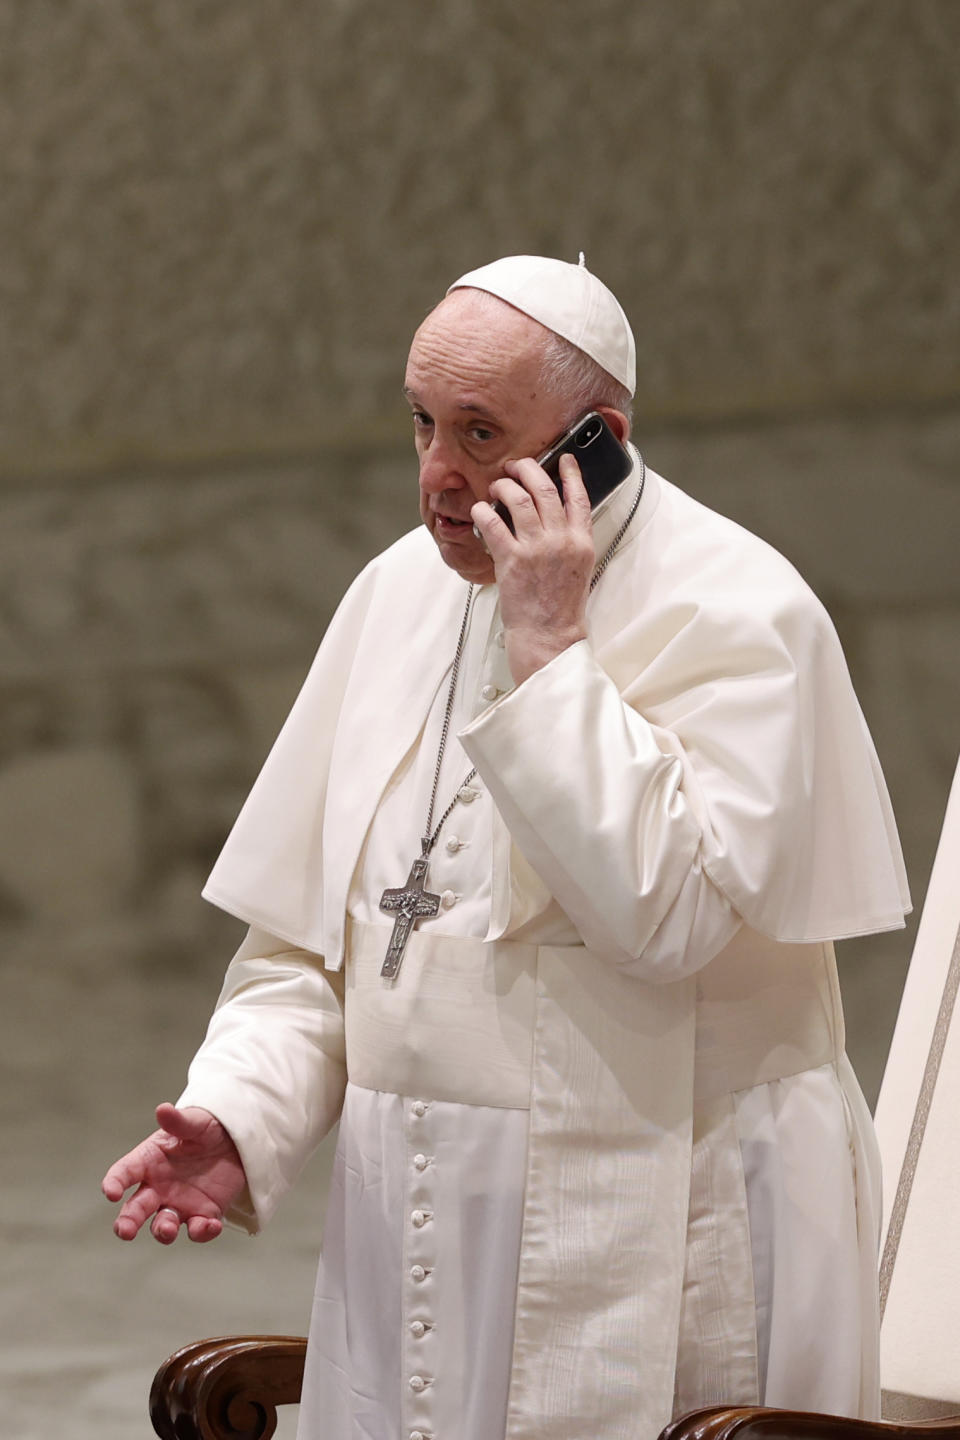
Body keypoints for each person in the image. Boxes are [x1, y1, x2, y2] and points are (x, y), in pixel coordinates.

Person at [103, 255, 910, 1440]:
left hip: (668, 1213)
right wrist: (241, 1111)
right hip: (421, 1229)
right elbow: (324, 946)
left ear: (598, 438)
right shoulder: (393, 596)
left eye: (481, 435)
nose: (438, 477)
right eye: (423, 425)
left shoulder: (743, 611)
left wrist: (550, 653)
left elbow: (667, 922)